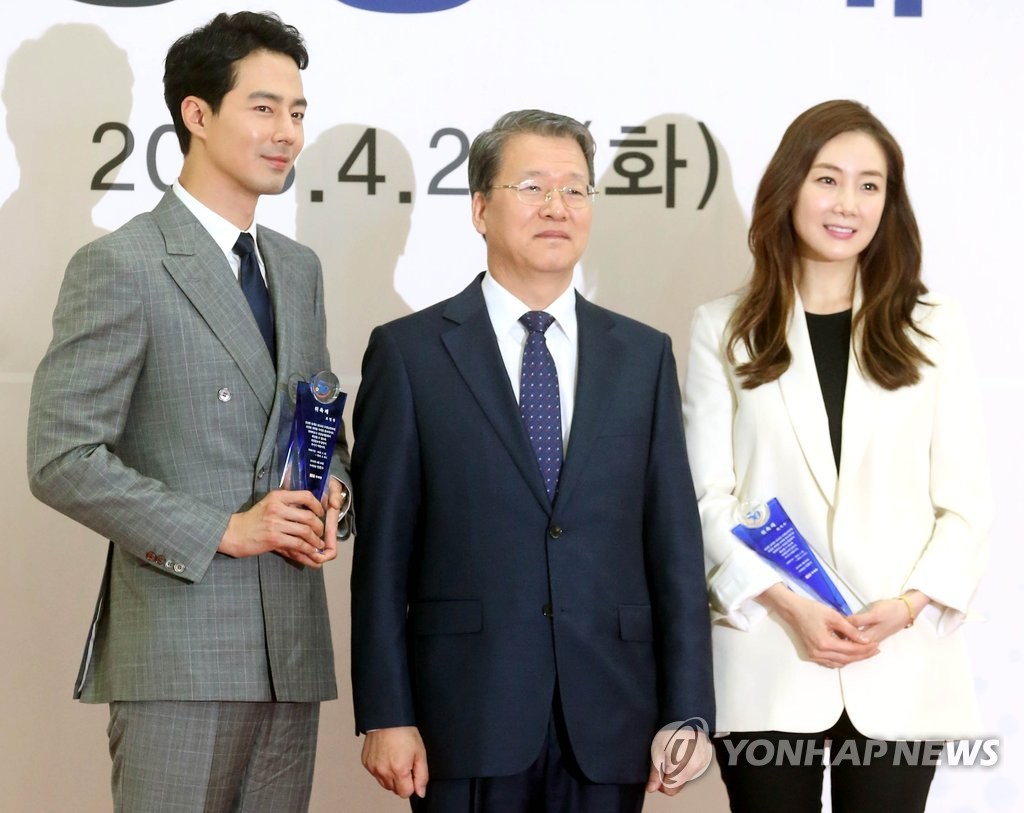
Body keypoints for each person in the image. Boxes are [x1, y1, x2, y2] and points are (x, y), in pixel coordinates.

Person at [27, 12, 351, 812]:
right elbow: (62, 457)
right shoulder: (122, 263)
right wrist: (222, 529)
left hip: (290, 650)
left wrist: (334, 490)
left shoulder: (298, 269)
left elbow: (316, 422)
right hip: (181, 650)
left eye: (297, 111)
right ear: (196, 114)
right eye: (264, 108)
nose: (287, 132)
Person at [349, 109, 715, 813]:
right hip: (465, 713)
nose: (557, 206)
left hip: (610, 715)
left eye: (575, 189)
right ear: (480, 209)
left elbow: (674, 545)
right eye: (532, 187)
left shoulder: (643, 356)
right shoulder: (411, 354)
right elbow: (383, 554)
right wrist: (386, 712)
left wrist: (689, 708)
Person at [682, 99, 991, 812]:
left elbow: (966, 503)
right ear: (789, 186)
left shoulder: (934, 327)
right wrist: (786, 604)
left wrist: (908, 607)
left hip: (900, 660)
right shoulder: (722, 328)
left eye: (869, 184)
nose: (848, 202)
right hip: (769, 654)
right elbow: (705, 498)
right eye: (827, 178)